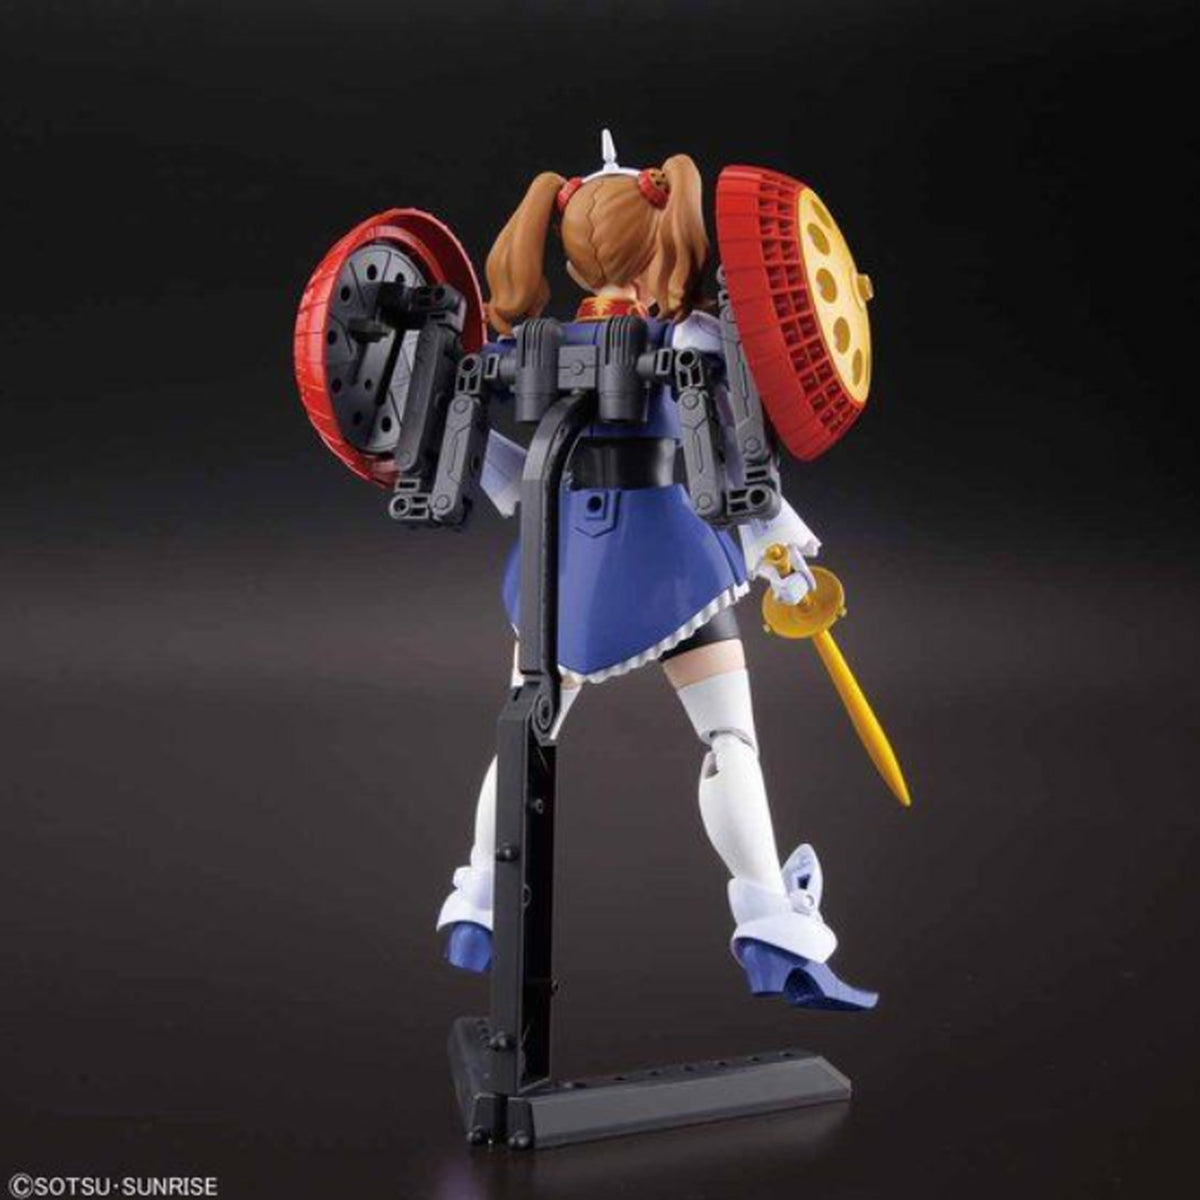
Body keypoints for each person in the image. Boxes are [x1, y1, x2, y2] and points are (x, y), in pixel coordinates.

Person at [435, 133, 876, 1010]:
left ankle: (479, 904)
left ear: (573, 255)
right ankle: (771, 924)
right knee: (728, 738)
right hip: (673, 569)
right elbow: (737, 461)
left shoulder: (532, 346)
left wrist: (506, 470)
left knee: (524, 731)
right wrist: (784, 558)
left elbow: (491, 456)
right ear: (663, 235)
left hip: (560, 570)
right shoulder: (695, 338)